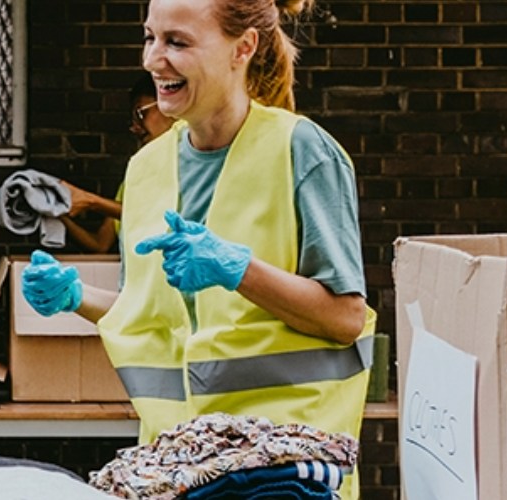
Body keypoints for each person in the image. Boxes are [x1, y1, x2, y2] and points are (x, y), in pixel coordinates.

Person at [21, 0, 374, 498]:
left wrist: (239, 269)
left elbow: (345, 319)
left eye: (177, 42)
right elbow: (157, 319)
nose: (152, 59)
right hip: (176, 471)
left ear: (243, 48)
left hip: (284, 471)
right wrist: (77, 297)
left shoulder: (302, 151)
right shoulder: (145, 169)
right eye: (150, 37)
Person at [59, 76, 177, 253]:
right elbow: (100, 244)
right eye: (133, 119)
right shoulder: (136, 173)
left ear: (169, 106)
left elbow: (160, 218)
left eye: (140, 114)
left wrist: (91, 201)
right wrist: (56, 213)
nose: (135, 127)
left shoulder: (188, 161)